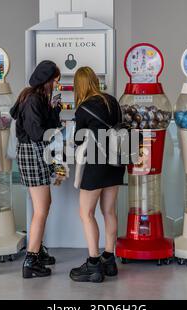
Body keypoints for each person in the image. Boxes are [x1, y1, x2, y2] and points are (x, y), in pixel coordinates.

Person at [70, 66, 125, 283]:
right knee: (109, 211)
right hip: (116, 161)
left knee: (86, 213)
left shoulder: (83, 108)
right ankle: (109, 259)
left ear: (79, 86)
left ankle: (93, 264)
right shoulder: (112, 100)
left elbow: (77, 139)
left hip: (95, 162)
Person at [9, 60, 62, 279]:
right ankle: (31, 260)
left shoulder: (37, 98)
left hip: (34, 154)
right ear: (47, 80)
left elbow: (47, 126)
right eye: (56, 80)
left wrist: (55, 109)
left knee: (43, 206)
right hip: (33, 155)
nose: (57, 84)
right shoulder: (32, 100)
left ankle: (36, 250)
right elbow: (37, 133)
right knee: (42, 208)